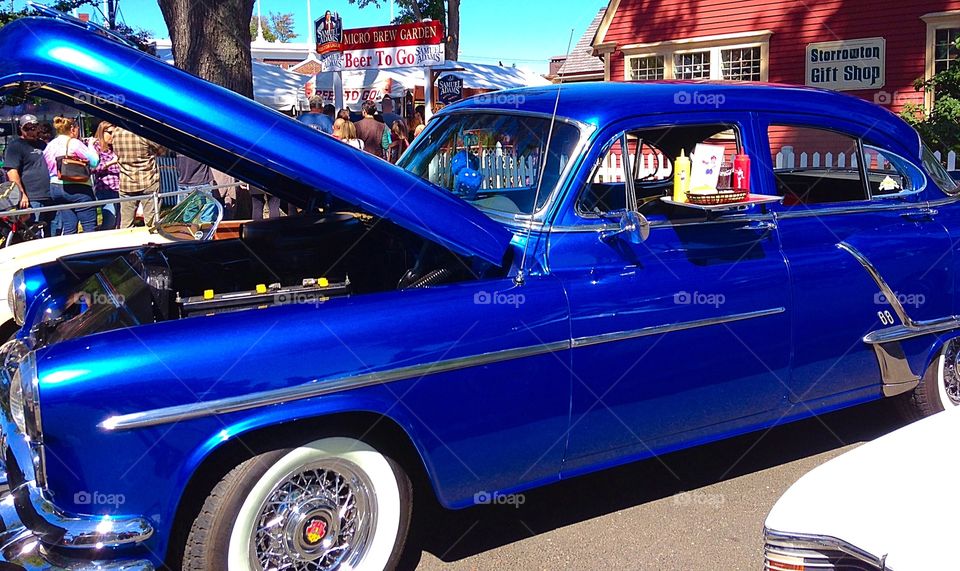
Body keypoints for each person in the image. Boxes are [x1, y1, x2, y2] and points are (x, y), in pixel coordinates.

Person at [42, 116, 100, 235]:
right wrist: (91, 145)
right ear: (73, 129)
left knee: (69, 226)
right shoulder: (74, 143)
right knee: (89, 226)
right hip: (77, 188)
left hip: (56, 188)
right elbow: (94, 161)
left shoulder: (50, 145)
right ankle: (90, 252)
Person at [3, 114, 53, 233]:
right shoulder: (15, 146)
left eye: (34, 127)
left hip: (51, 195)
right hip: (32, 197)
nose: (31, 131)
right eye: (27, 128)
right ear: (21, 129)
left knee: (54, 230)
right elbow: (12, 172)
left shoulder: (43, 145)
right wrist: (21, 194)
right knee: (34, 233)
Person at [112, 126, 164, 228]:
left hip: (126, 182)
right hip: (148, 180)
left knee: (126, 224)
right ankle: (152, 242)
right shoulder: (143, 132)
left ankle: (128, 243)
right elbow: (161, 150)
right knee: (152, 222)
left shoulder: (116, 131)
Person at [89, 121, 120, 230]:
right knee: (110, 220)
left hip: (120, 188)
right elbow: (93, 168)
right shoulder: (96, 147)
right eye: (110, 133)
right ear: (102, 132)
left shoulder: (115, 147)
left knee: (120, 221)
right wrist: (111, 162)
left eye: (115, 133)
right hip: (106, 188)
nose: (113, 136)